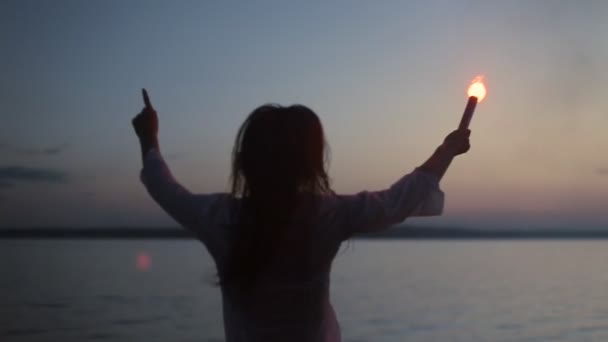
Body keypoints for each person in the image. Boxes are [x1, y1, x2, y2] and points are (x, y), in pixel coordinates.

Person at [132, 89, 470, 342]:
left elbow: (164, 187)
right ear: (311, 164)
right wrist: (447, 151)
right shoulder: (327, 216)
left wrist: (149, 138)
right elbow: (399, 200)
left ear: (246, 162)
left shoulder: (221, 218)